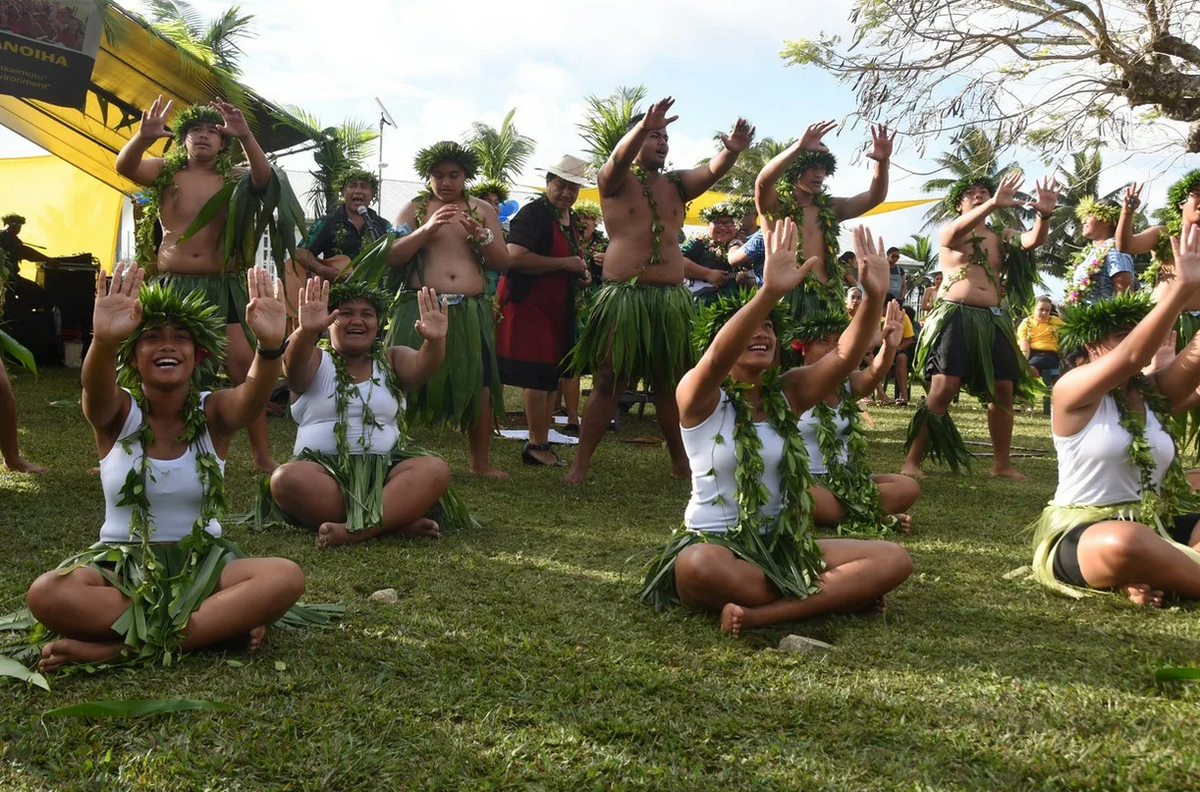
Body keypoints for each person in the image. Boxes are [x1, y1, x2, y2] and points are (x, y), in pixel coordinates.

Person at [15, 263, 330, 672]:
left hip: (206, 567)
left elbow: (252, 397)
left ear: (197, 355)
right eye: (151, 338)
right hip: (123, 567)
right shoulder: (117, 414)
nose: (168, 346)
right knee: (47, 593)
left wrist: (270, 347)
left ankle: (120, 649)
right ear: (134, 355)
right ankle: (215, 627)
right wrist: (105, 342)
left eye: (180, 338)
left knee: (285, 576)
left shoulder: (213, 410)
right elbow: (94, 387)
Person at [638, 219, 911, 635]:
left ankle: (765, 615)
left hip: (783, 544)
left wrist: (874, 297)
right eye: (753, 326)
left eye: (769, 327)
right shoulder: (699, 397)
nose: (762, 332)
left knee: (894, 559)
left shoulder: (790, 394)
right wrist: (769, 293)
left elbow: (843, 356)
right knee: (695, 566)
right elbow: (714, 359)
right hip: (718, 547)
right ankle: (834, 594)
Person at [564, 97, 755, 485]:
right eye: (654, 135)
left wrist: (730, 152)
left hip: (670, 298)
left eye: (665, 136)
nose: (662, 142)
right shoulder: (613, 182)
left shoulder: (676, 185)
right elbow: (617, 160)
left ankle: (681, 464)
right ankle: (580, 464)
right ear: (635, 141)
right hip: (624, 297)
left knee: (672, 383)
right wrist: (639, 128)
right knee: (608, 380)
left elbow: (710, 173)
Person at [1027, 223, 1200, 606]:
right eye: (1125, 332)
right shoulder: (1071, 392)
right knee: (1126, 541)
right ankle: (1154, 569)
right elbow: (1132, 357)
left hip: (1154, 526)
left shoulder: (1151, 393)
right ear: (1091, 344)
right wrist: (1180, 289)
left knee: (1147, 538)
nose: (1141, 337)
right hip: (1085, 534)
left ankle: (1152, 573)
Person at [116, 97, 283, 473]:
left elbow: (265, 180)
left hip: (221, 285)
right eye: (195, 130)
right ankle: (137, 451)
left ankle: (261, 455)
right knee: (153, 368)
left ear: (223, 143)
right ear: (184, 139)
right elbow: (125, 166)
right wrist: (142, 137)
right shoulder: (165, 171)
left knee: (244, 367)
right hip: (173, 285)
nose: (203, 136)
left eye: (213, 132)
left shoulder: (234, 177)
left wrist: (246, 136)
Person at [266, 280, 474, 547]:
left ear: (378, 323)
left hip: (387, 477)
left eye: (367, 314)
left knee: (434, 469)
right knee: (285, 479)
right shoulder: (316, 359)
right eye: (346, 313)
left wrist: (435, 342)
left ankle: (356, 530)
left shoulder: (392, 360)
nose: (357, 320)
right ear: (329, 321)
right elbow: (292, 368)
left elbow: (423, 367)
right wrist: (306, 331)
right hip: (324, 477)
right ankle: (393, 521)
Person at [902, 172, 1060, 480]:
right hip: (954, 316)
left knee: (1004, 388)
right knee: (943, 388)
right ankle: (912, 461)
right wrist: (990, 204)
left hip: (993, 319)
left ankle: (1001, 464)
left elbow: (1031, 241)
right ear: (959, 204)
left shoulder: (1001, 236)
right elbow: (952, 236)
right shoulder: (952, 231)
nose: (979, 195)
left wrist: (1044, 214)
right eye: (971, 192)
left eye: (984, 191)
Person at [378, 140, 511, 478]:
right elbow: (392, 255)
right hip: (420, 305)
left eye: (453, 175)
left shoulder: (483, 209)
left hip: (469, 311)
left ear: (466, 175)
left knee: (478, 384)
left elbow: (504, 262)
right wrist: (427, 229)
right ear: (428, 176)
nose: (446, 182)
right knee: (402, 380)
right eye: (438, 175)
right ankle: (390, 452)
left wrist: (482, 236)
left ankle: (480, 463)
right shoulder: (415, 209)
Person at [496, 156, 592, 467]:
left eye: (572, 187)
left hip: (556, 305)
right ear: (548, 184)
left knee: (552, 373)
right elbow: (514, 257)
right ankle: (536, 444)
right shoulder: (533, 214)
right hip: (528, 303)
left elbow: (569, 259)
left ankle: (543, 438)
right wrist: (565, 264)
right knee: (537, 374)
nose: (566, 192)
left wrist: (580, 274)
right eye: (560, 185)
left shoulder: (569, 219)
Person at [795, 303, 921, 535]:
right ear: (804, 347)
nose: (832, 348)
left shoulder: (847, 383)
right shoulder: (792, 385)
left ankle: (843, 513)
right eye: (823, 341)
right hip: (807, 481)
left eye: (837, 341)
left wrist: (888, 348)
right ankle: (872, 516)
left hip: (848, 479)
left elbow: (873, 374)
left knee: (907, 487)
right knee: (800, 495)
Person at [754, 120, 893, 320]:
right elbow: (763, 181)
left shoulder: (830, 209)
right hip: (787, 297)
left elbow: (875, 196)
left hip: (828, 298)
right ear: (794, 170)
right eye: (812, 168)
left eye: (822, 169)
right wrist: (799, 147)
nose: (819, 174)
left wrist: (882, 162)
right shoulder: (774, 206)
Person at [294, 170, 389, 284]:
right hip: (333, 295)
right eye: (352, 185)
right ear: (343, 191)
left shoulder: (384, 226)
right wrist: (322, 269)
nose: (358, 191)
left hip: (373, 294)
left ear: (373, 194)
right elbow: (300, 252)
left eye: (364, 186)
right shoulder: (327, 222)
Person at [1064, 197, 1136, 305]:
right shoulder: (1092, 253)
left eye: (1089, 215)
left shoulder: (1115, 251)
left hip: (1105, 319)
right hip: (1087, 319)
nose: (1083, 220)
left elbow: (1124, 297)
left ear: (1106, 221)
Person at [683, 202, 753, 304]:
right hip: (701, 309)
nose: (723, 227)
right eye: (717, 222)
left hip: (735, 308)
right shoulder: (697, 244)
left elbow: (757, 280)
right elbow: (677, 262)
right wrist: (708, 274)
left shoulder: (745, 248)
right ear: (708, 223)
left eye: (728, 222)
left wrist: (747, 282)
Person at [0, 213, 51, 308]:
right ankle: (16, 313)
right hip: (7, 280)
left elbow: (25, 252)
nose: (17, 228)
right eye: (14, 225)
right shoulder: (7, 240)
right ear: (7, 224)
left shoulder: (10, 239)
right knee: (36, 292)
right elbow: (28, 253)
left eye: (19, 226)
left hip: (9, 279)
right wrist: (48, 259)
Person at [873, 295, 914, 405]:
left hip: (897, 348)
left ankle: (904, 397)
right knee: (871, 357)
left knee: (902, 358)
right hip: (876, 349)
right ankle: (880, 393)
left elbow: (909, 339)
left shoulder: (903, 317)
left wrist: (896, 348)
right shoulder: (874, 317)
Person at [1017, 295, 1064, 382]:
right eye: (1041, 309)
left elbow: (1068, 333)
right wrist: (1024, 362)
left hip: (1048, 355)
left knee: (1030, 367)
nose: (1044, 313)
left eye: (1047, 310)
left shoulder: (1056, 321)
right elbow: (1024, 345)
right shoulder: (1026, 323)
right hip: (1030, 354)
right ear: (1034, 309)